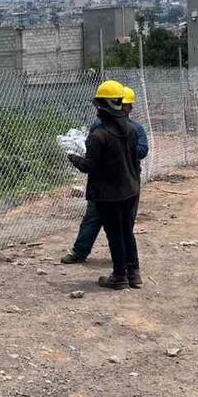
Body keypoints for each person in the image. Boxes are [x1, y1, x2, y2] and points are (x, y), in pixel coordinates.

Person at [67, 80, 142, 289]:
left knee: (115, 234)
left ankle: (119, 276)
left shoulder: (98, 135)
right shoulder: (132, 129)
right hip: (130, 189)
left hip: (108, 195)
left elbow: (88, 166)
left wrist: (73, 158)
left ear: (102, 105)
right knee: (127, 231)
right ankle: (134, 274)